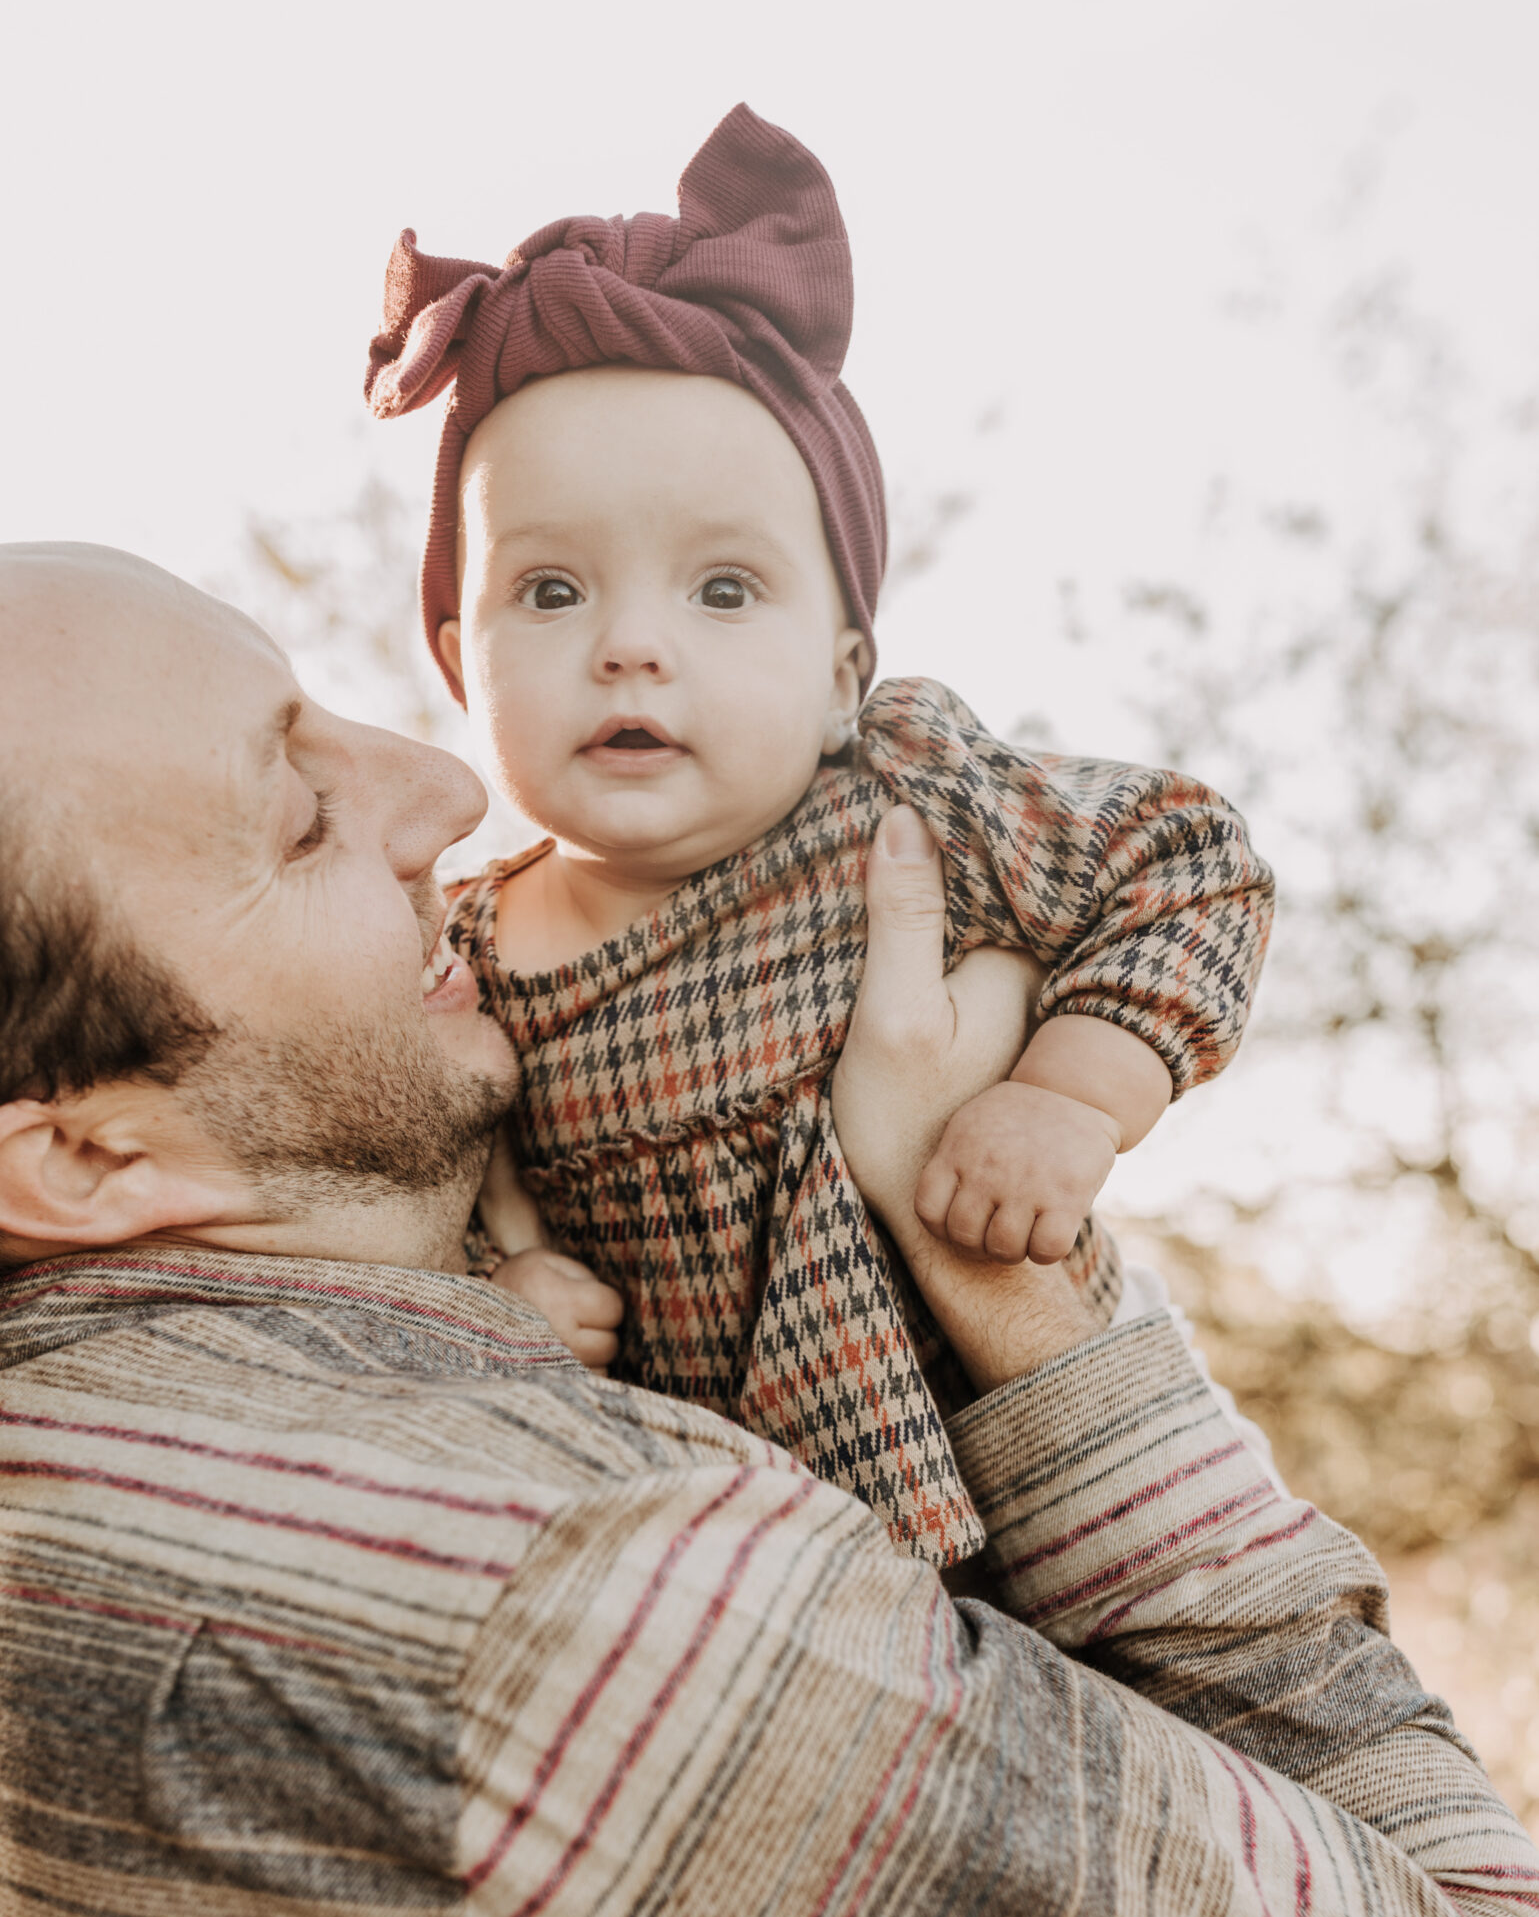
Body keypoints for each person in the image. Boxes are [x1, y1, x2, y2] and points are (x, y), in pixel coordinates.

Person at [0, 514, 1537, 1917]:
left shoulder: (57, 1482)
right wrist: (1022, 1295)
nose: (447, 785)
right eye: (293, 814)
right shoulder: (528, 1603)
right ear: (89, 1153)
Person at [364, 103, 1275, 1578]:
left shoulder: (899, 802)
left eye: (724, 591)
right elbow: (400, 1175)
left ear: (845, 672)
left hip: (1020, 1448)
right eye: (552, 593)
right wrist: (504, 1293)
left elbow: (1187, 861)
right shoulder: (448, 952)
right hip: (707, 1548)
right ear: (461, 665)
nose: (634, 648)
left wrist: (1072, 1091)